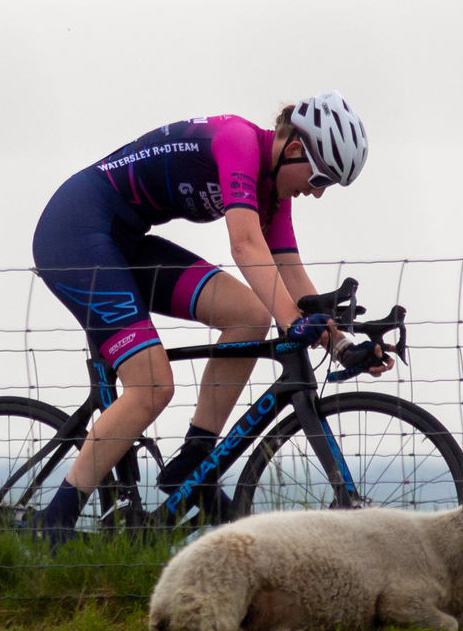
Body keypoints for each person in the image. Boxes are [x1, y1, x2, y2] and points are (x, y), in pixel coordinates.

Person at [30, 93, 378, 534]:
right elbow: (245, 246)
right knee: (152, 385)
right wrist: (294, 323)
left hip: (125, 242)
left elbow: (289, 273)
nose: (317, 192)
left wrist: (344, 345)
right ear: (294, 150)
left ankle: (195, 459)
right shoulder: (238, 141)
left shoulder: (273, 189)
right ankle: (52, 522)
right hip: (76, 233)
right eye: (321, 178)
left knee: (250, 313)